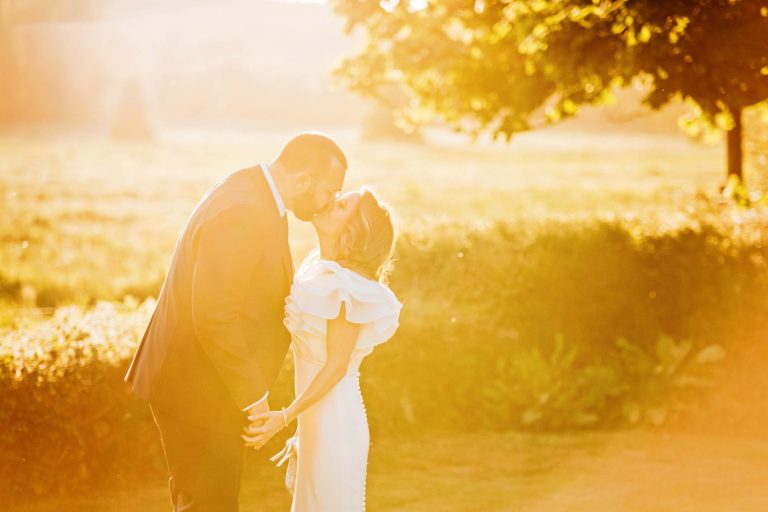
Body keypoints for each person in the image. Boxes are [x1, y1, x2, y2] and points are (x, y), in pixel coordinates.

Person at [124, 132, 347, 511]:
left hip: (205, 382)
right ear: (303, 180)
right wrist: (254, 399)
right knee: (211, 503)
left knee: (206, 500)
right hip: (195, 387)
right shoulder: (244, 209)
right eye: (331, 189)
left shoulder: (255, 191)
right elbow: (214, 315)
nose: (332, 200)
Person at [245, 187, 402, 512]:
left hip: (337, 423)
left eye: (342, 205)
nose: (331, 202)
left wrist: (285, 417)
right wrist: (303, 429)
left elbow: (337, 365)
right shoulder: (317, 270)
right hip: (316, 422)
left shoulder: (346, 288)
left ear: (354, 230)